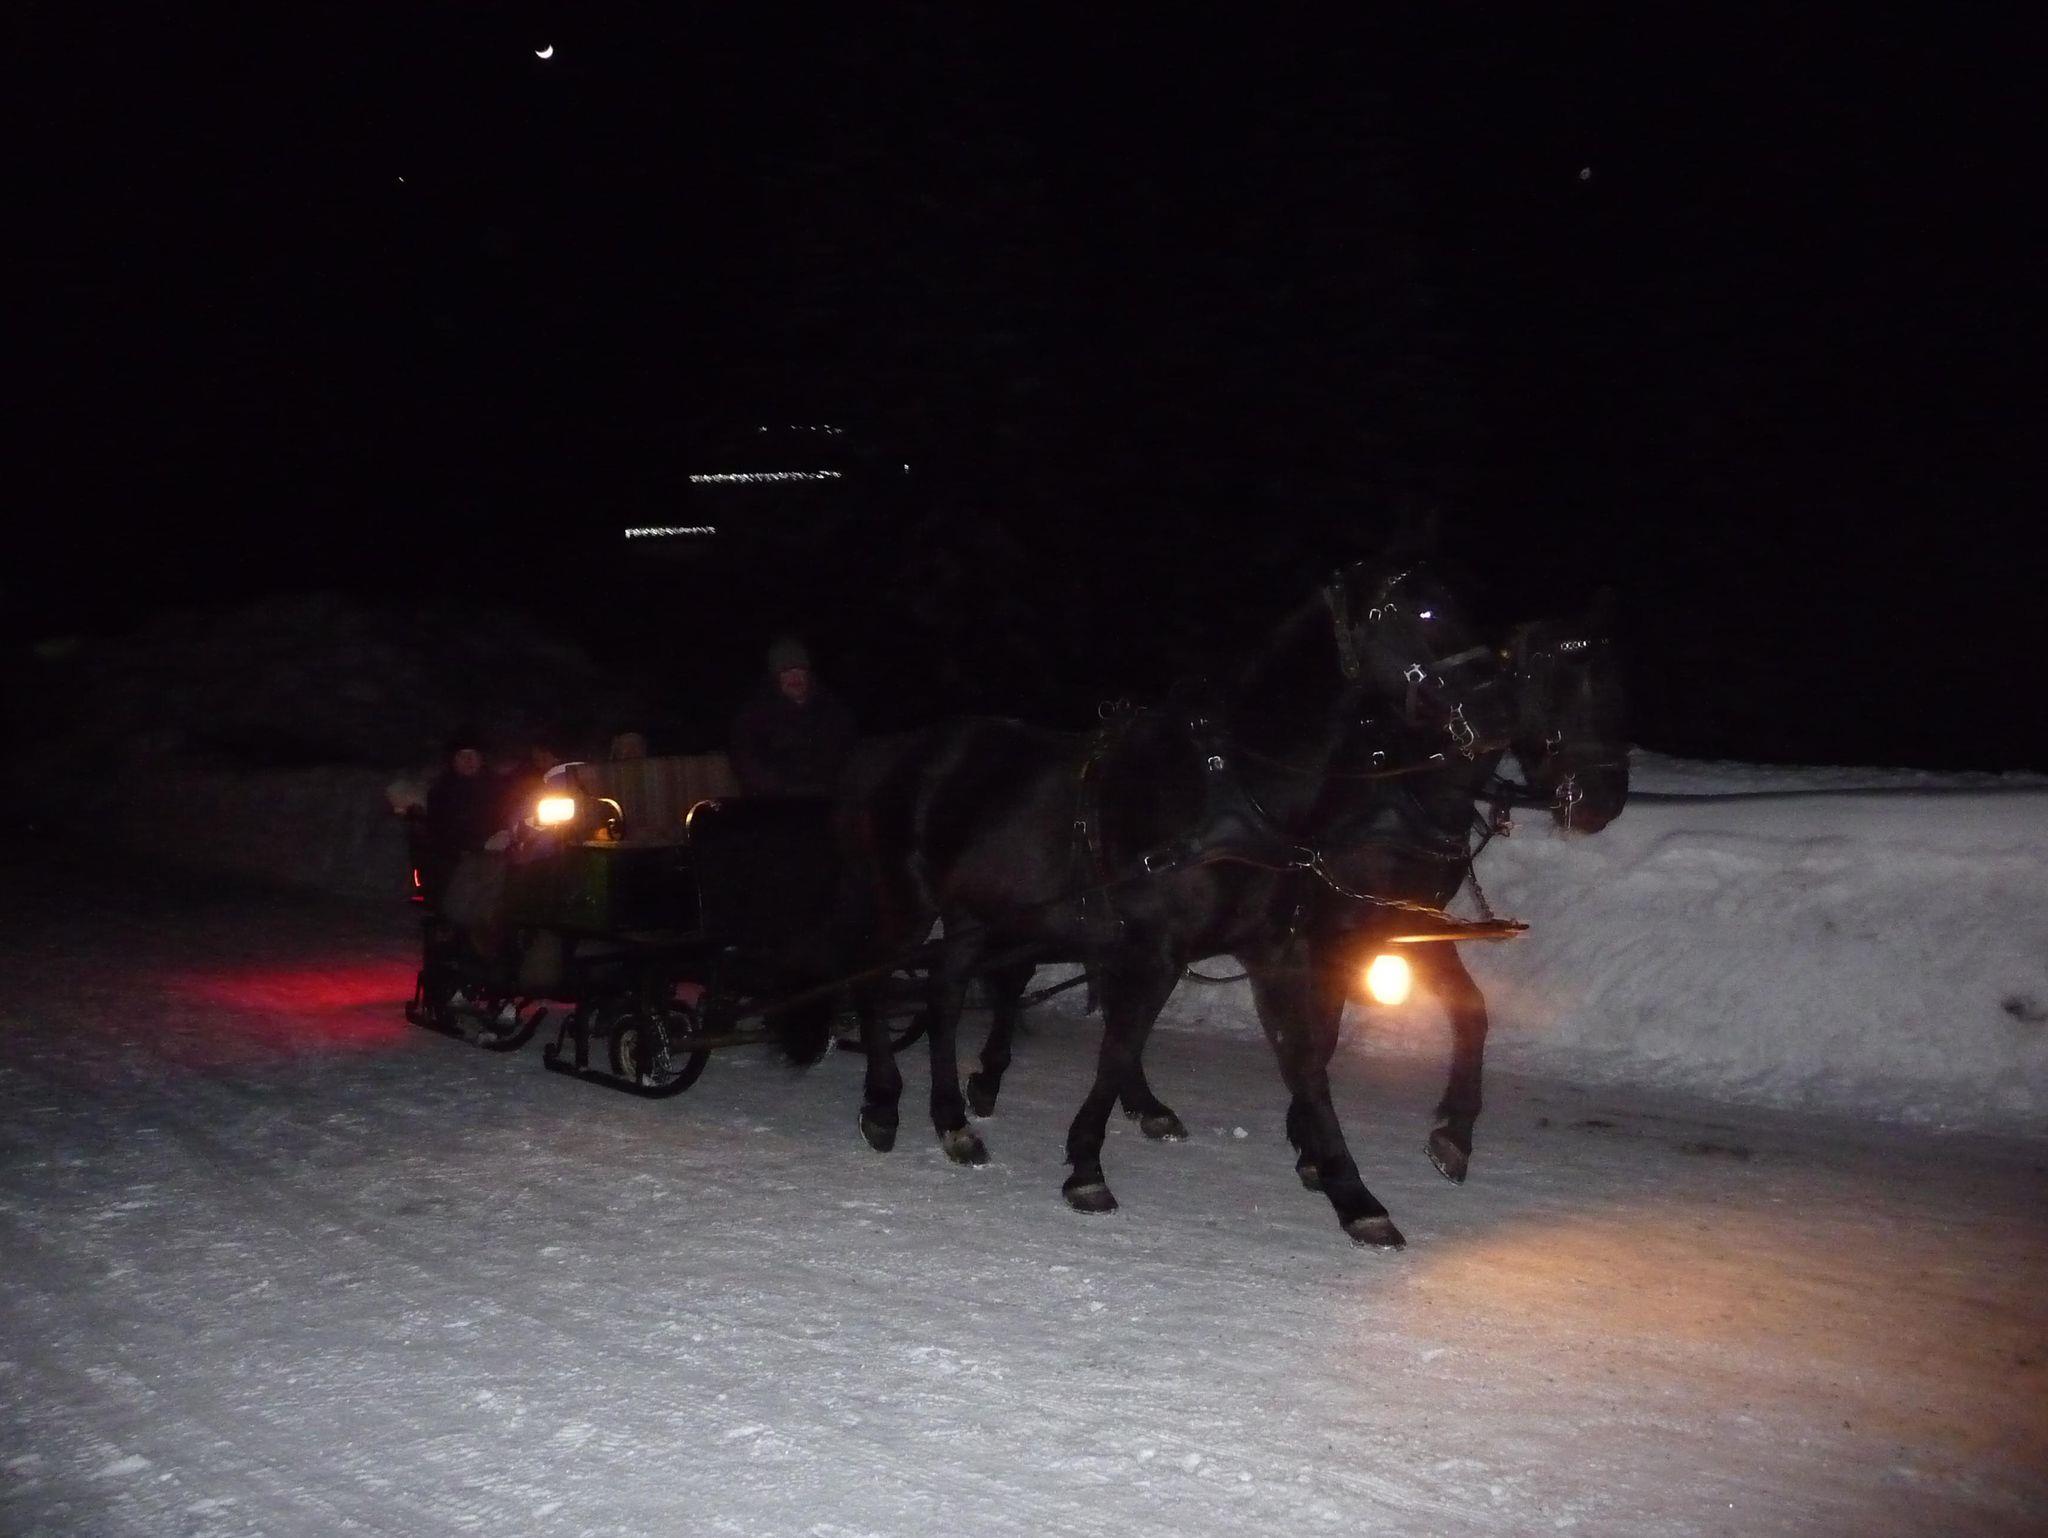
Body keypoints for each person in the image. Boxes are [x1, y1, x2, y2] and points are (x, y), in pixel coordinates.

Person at [729, 636, 856, 796]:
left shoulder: (833, 711)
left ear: (808, 673)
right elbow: (746, 762)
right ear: (775, 678)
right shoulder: (754, 716)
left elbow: (847, 757)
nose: (794, 677)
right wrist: (784, 791)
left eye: (799, 669)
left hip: (827, 799)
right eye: (786, 671)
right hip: (776, 801)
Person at [420, 729, 509, 906]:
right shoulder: (441, 790)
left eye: (473, 755)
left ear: (481, 758)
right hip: (457, 857)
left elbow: (510, 816)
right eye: (462, 756)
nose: (468, 761)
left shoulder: (500, 787)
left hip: (498, 854)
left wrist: (504, 837)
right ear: (453, 760)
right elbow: (439, 830)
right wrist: (478, 845)